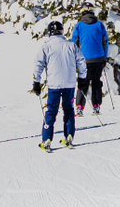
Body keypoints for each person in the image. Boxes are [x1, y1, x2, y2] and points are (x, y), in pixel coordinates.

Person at [33, 20, 87, 151]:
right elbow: (81, 61)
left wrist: (36, 81)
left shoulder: (46, 47)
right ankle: (69, 136)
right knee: (68, 109)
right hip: (69, 83)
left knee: (51, 110)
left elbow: (38, 64)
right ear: (62, 31)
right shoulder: (71, 45)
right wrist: (82, 78)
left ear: (50, 32)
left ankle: (47, 139)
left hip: (54, 84)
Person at [72, 2, 109, 116]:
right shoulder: (99, 25)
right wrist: (104, 56)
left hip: (84, 59)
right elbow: (105, 42)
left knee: (83, 83)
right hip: (98, 58)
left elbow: (74, 43)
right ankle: (96, 106)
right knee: (96, 82)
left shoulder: (79, 25)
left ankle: (80, 107)